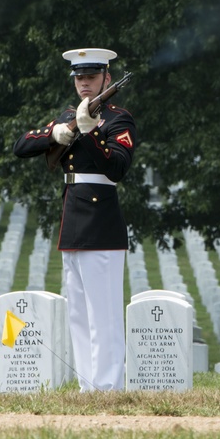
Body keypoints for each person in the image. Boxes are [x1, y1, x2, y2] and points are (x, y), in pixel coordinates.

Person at [13, 48, 135, 391]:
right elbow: (21, 146)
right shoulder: (67, 115)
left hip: (102, 224)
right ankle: (87, 385)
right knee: (80, 315)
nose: (84, 83)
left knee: (104, 315)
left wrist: (91, 132)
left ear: (106, 79)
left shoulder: (118, 119)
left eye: (91, 77)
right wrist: (54, 135)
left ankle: (108, 386)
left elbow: (118, 167)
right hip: (72, 222)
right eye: (79, 78)